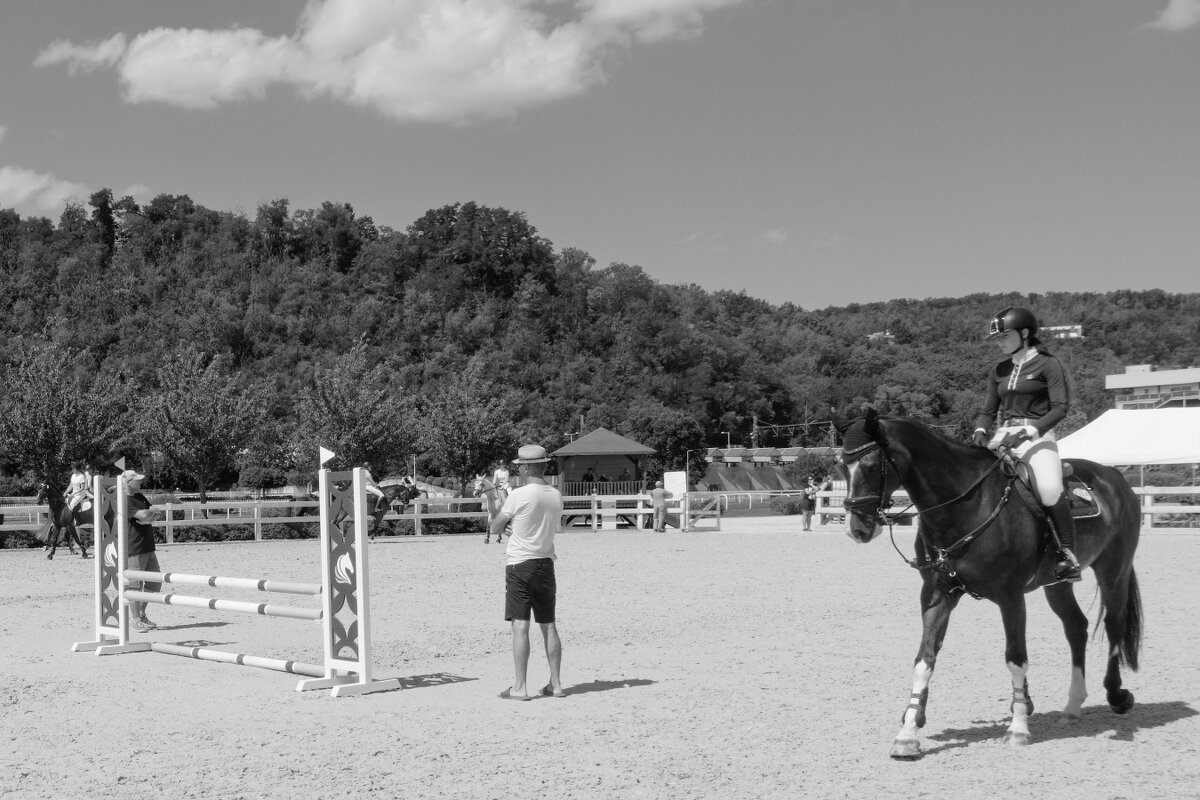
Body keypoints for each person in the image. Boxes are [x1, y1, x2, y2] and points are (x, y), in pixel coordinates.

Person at [972, 306, 1081, 583]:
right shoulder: (999, 370)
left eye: (1004, 335)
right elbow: (988, 409)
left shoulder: (1048, 364)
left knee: (1047, 488)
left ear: (1024, 333)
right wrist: (981, 430)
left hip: (1037, 436)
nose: (999, 341)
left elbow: (1060, 408)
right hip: (1002, 436)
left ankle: (1067, 555)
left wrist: (1028, 433)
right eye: (997, 338)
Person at [489, 444, 565, 701]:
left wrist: (501, 517)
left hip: (521, 564)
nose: (518, 470)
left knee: (520, 626)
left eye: (520, 466)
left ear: (529, 467)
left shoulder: (519, 495)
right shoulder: (555, 494)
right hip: (545, 562)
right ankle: (556, 684)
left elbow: (497, 526)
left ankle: (520, 687)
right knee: (549, 625)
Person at [123, 470, 163, 632]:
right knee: (134, 585)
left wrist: (149, 515)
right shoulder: (125, 500)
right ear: (128, 482)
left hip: (148, 546)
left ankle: (142, 614)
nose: (140, 482)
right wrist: (149, 514)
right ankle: (136, 619)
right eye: (137, 480)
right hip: (134, 547)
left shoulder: (140, 497)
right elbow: (146, 515)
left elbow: (152, 515)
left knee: (155, 582)